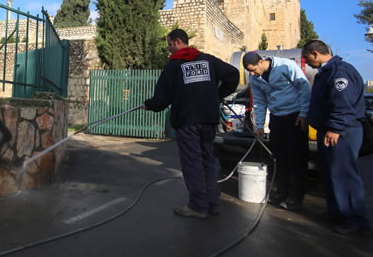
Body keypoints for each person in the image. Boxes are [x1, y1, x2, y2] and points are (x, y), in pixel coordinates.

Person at [144, 29, 239, 219]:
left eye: (170, 44)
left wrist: (149, 105)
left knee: (192, 162)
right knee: (207, 160)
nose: (169, 49)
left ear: (178, 42)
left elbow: (162, 98)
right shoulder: (208, 60)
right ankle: (212, 203)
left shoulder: (173, 66)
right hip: (208, 121)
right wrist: (217, 96)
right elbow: (233, 75)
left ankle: (198, 206)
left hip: (188, 122)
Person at [302, 40, 371, 235]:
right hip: (329, 130)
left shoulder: (340, 72)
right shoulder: (326, 72)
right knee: (329, 173)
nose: (307, 63)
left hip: (342, 131)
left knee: (344, 175)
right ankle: (337, 212)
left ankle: (356, 219)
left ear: (315, 53)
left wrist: (336, 128)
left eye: (307, 58)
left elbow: (343, 102)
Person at [242, 51, 311, 211]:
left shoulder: (285, 66)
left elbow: (304, 87)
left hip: (295, 116)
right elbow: (259, 102)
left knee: (296, 157)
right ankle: (282, 191)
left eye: (253, 69)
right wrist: (259, 126)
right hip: (277, 117)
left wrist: (304, 113)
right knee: (279, 157)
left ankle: (296, 195)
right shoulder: (255, 79)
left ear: (261, 62)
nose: (252, 73)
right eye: (249, 71)